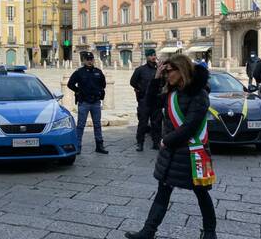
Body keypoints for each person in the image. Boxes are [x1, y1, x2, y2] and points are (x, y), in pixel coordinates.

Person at [125, 55, 217, 239]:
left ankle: (209, 233)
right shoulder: (171, 92)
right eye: (165, 72)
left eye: (169, 71)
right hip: (171, 154)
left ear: (181, 70)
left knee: (201, 193)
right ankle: (148, 231)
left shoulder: (199, 95)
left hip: (193, 153)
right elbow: (149, 105)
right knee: (163, 191)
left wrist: (167, 140)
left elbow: (190, 127)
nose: (167, 75)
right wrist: (156, 78)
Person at [67, 51, 108, 154]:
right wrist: (78, 91)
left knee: (97, 124)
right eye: (87, 59)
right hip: (84, 102)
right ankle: (78, 146)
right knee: (80, 125)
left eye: (91, 59)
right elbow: (70, 84)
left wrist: (98, 91)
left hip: (95, 102)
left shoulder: (98, 71)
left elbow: (103, 84)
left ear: (93, 60)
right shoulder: (79, 72)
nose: (90, 61)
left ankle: (99, 146)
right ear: (84, 60)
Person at [130, 49, 161, 151]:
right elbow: (133, 82)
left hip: (156, 100)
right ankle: (140, 143)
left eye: (154, 55)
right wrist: (140, 89)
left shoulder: (159, 69)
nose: (153, 57)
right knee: (143, 123)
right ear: (147, 57)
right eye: (151, 55)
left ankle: (156, 143)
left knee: (156, 123)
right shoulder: (140, 70)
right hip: (144, 100)